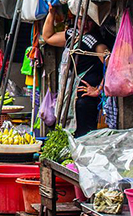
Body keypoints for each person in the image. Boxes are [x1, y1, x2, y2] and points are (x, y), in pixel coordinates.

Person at [41, 8, 109, 136]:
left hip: (85, 102)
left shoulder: (94, 41)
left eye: (89, 21)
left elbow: (110, 64)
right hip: (70, 96)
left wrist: (99, 89)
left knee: (83, 136)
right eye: (81, 19)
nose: (84, 23)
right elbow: (48, 37)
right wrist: (51, 14)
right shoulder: (73, 35)